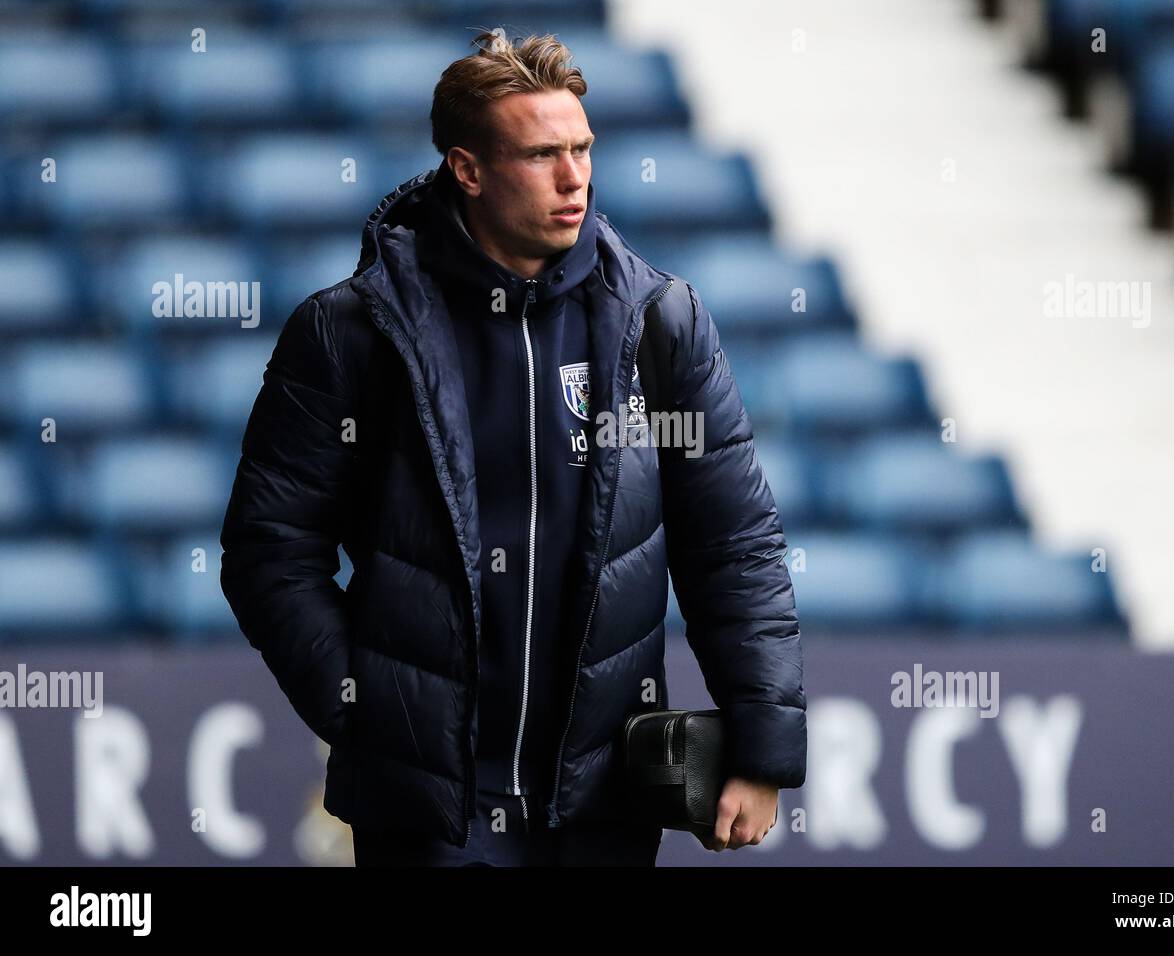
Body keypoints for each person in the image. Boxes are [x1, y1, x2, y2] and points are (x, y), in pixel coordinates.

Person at [219, 28, 806, 867]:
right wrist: (370, 708)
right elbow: (269, 547)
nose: (575, 179)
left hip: (603, 806)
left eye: (582, 149)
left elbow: (735, 546)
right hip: (431, 811)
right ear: (468, 170)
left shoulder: (659, 324)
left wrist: (761, 747)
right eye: (541, 155)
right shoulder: (353, 333)